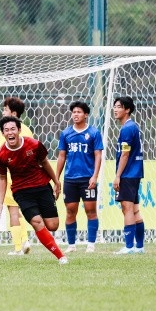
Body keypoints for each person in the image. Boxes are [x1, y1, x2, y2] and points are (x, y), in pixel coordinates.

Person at [0, 116, 68, 264]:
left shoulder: (34, 145)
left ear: (19, 130)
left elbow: (45, 163)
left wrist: (56, 182)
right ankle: (61, 256)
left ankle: (44, 234)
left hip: (42, 186)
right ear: (2, 134)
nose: (10, 132)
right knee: (37, 222)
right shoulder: (1, 155)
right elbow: (2, 178)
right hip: (21, 192)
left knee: (53, 225)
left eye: (13, 129)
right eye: (6, 130)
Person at [0, 97, 32, 255]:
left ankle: (18, 247)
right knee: (22, 210)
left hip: (11, 176)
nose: (2, 112)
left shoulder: (5, 131)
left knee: (13, 211)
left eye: (5, 109)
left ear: (14, 113)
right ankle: (25, 240)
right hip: (27, 176)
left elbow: (1, 156)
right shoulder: (27, 130)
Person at [56, 101, 104, 253]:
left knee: (90, 210)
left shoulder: (94, 133)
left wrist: (94, 176)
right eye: (73, 112)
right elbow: (62, 156)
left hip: (87, 179)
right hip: (70, 179)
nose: (75, 114)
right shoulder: (66, 134)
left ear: (86, 115)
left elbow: (98, 155)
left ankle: (91, 244)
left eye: (78, 112)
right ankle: (71, 245)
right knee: (70, 210)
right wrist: (57, 178)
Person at [112, 96, 146, 254]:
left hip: (128, 174)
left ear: (128, 109)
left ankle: (129, 246)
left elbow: (125, 154)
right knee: (134, 210)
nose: (115, 109)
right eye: (115, 106)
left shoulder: (127, 128)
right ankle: (139, 247)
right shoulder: (133, 126)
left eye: (119, 106)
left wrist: (118, 175)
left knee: (127, 209)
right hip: (135, 173)